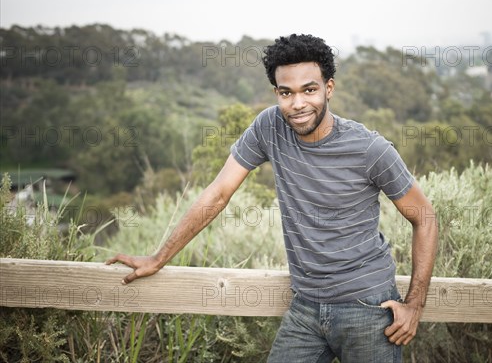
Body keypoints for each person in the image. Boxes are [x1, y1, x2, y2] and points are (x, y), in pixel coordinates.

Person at [106, 34, 438, 362]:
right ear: (276, 93)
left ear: (329, 88)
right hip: (305, 307)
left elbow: (424, 218)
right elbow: (219, 192)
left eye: (309, 90)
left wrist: (415, 305)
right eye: (286, 93)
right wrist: (158, 257)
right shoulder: (270, 127)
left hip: (367, 308)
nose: (297, 104)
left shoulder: (370, 149)